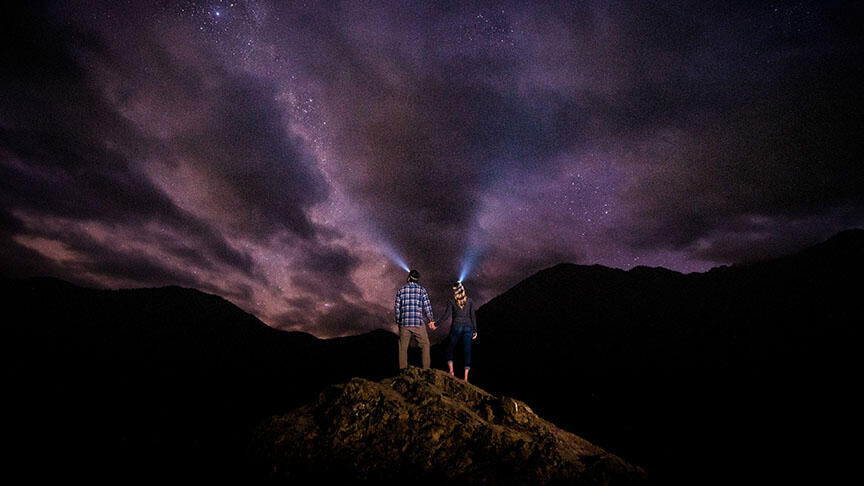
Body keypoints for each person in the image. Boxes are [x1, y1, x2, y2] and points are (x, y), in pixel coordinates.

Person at [394, 269, 436, 369]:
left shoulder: (401, 290)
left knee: (403, 348)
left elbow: (397, 308)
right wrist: (431, 320)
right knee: (425, 345)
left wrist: (398, 321)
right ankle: (426, 370)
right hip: (418, 323)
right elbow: (427, 307)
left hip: (404, 323)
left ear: (409, 278)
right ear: (417, 280)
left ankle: (403, 371)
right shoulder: (422, 290)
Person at [438, 281, 477, 381]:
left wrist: (436, 324)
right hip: (468, 327)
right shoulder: (470, 301)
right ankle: (465, 378)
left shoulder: (451, 301)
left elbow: (446, 316)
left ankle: (451, 371)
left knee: (449, 348)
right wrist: (475, 330)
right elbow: (473, 316)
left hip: (456, 327)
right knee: (467, 351)